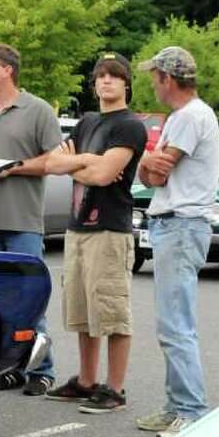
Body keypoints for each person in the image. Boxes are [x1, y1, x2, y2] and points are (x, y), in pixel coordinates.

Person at [44, 53, 148, 413]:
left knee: (112, 311)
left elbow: (105, 177)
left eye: (113, 76)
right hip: (77, 228)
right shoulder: (87, 122)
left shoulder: (131, 126)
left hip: (110, 229)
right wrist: (88, 162)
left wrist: (81, 165)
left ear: (126, 83)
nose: (105, 82)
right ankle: (87, 382)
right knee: (83, 312)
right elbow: (51, 162)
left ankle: (114, 390)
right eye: (100, 76)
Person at [134, 46, 219, 437]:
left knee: (176, 323)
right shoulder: (183, 116)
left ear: (168, 79)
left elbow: (159, 171)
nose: (152, 83)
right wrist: (148, 163)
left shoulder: (190, 116)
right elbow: (150, 171)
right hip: (177, 224)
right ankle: (176, 406)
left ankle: (190, 410)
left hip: (182, 223)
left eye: (155, 76)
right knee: (172, 321)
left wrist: (149, 162)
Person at [0, 43, 63, 394]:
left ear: (8, 70)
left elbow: (56, 160)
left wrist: (15, 169)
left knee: (29, 298)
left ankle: (42, 371)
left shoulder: (37, 110)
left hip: (23, 223)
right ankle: (8, 368)